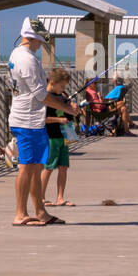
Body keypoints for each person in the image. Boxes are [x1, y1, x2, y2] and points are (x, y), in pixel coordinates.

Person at [8, 18, 80, 226]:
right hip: (26, 120)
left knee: (37, 166)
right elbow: (40, 94)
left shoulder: (19, 54)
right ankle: (20, 214)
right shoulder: (27, 60)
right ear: (31, 37)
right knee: (27, 167)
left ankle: (40, 211)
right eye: (40, 40)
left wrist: (62, 102)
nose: (41, 44)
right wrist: (67, 108)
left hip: (34, 120)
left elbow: (39, 93)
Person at [41, 68, 77, 207]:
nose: (63, 89)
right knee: (48, 167)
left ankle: (60, 198)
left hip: (64, 136)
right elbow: (42, 119)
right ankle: (41, 197)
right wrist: (58, 120)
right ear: (52, 82)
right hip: (51, 137)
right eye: (61, 86)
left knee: (63, 167)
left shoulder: (62, 96)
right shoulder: (45, 97)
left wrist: (74, 108)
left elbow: (70, 111)